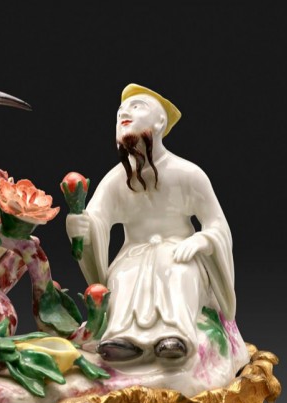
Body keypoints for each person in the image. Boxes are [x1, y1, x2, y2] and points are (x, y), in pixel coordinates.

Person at [67, 84, 242, 367]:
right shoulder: (116, 180)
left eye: (136, 107)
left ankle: (176, 337)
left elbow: (216, 222)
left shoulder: (188, 174)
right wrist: (81, 225)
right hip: (133, 253)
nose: (124, 113)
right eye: (120, 112)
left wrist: (202, 240)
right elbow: (96, 219)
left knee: (178, 272)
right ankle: (121, 339)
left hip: (180, 251)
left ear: (160, 122)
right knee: (122, 278)